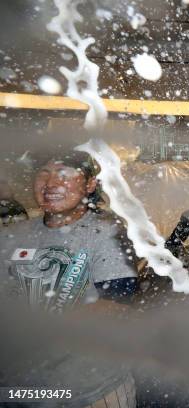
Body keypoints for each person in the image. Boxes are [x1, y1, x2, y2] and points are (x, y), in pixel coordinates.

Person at [0, 151, 139, 407]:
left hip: (89, 390)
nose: (51, 183)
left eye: (64, 174)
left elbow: (118, 306)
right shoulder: (11, 236)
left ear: (89, 185)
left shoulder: (108, 233)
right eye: (44, 172)